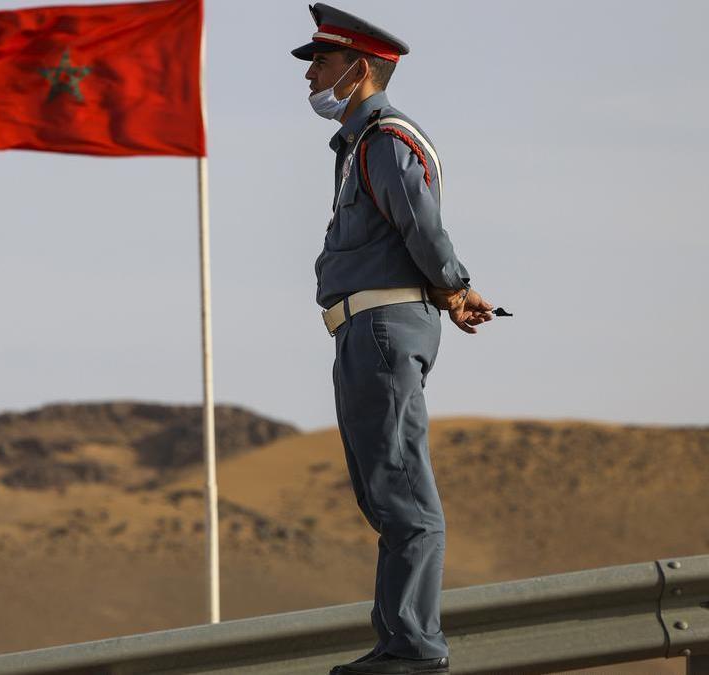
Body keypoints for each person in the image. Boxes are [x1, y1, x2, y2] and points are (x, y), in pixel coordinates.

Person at [291, 4, 498, 674]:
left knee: (404, 491)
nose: (311, 76)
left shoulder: (385, 138)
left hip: (382, 326)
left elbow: (419, 223)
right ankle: (397, 641)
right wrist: (451, 290)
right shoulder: (358, 145)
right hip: (361, 329)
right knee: (385, 490)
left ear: (360, 68)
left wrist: (456, 284)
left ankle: (414, 648)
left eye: (320, 62)